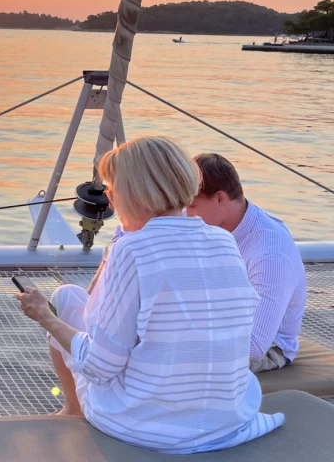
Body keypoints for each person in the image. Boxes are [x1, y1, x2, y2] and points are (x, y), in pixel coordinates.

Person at [16, 136, 282, 454]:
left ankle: (72, 409)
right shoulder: (222, 240)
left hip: (151, 427)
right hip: (226, 418)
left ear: (135, 192)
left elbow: (100, 366)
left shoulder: (132, 250)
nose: (110, 200)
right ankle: (74, 408)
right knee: (79, 303)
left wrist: (44, 317)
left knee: (64, 300)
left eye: (113, 188)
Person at [187, 153, 306, 373]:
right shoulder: (218, 226)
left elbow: (253, 346)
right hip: (219, 322)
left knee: (165, 359)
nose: (186, 214)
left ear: (220, 198)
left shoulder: (270, 253)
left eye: (192, 205)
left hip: (267, 348)